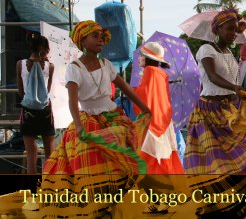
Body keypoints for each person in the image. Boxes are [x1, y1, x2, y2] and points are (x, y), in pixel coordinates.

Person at [38, 20, 152, 218]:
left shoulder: (106, 64)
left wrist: (144, 108)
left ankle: (116, 203)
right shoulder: (75, 68)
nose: (100, 40)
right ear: (82, 40)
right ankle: (95, 206)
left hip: (113, 117)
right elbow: (73, 101)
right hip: (88, 120)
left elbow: (125, 87)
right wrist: (80, 126)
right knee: (88, 161)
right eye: (95, 36)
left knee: (120, 160)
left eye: (102, 36)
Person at [183, 9, 246, 217]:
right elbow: (212, 76)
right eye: (229, 29)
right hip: (208, 113)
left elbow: (234, 80)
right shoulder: (205, 49)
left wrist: (238, 94)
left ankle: (235, 204)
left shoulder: (230, 53)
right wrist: (235, 88)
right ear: (217, 29)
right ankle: (215, 207)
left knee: (239, 161)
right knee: (214, 164)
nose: (233, 34)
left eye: (235, 30)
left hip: (230, 110)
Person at [134, 42, 188, 213]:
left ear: (148, 57)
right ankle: (165, 199)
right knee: (162, 162)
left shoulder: (149, 72)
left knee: (149, 164)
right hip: (164, 123)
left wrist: (133, 91)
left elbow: (144, 98)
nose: (140, 58)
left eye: (142, 55)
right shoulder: (161, 74)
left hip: (152, 124)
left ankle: (158, 201)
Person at [16, 32, 55, 175]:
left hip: (28, 111)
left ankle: (32, 191)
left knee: (31, 155)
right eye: (47, 48)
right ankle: (49, 189)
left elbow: (21, 92)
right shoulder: (50, 66)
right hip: (45, 110)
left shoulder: (20, 64)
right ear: (42, 48)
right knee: (50, 154)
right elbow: (47, 91)